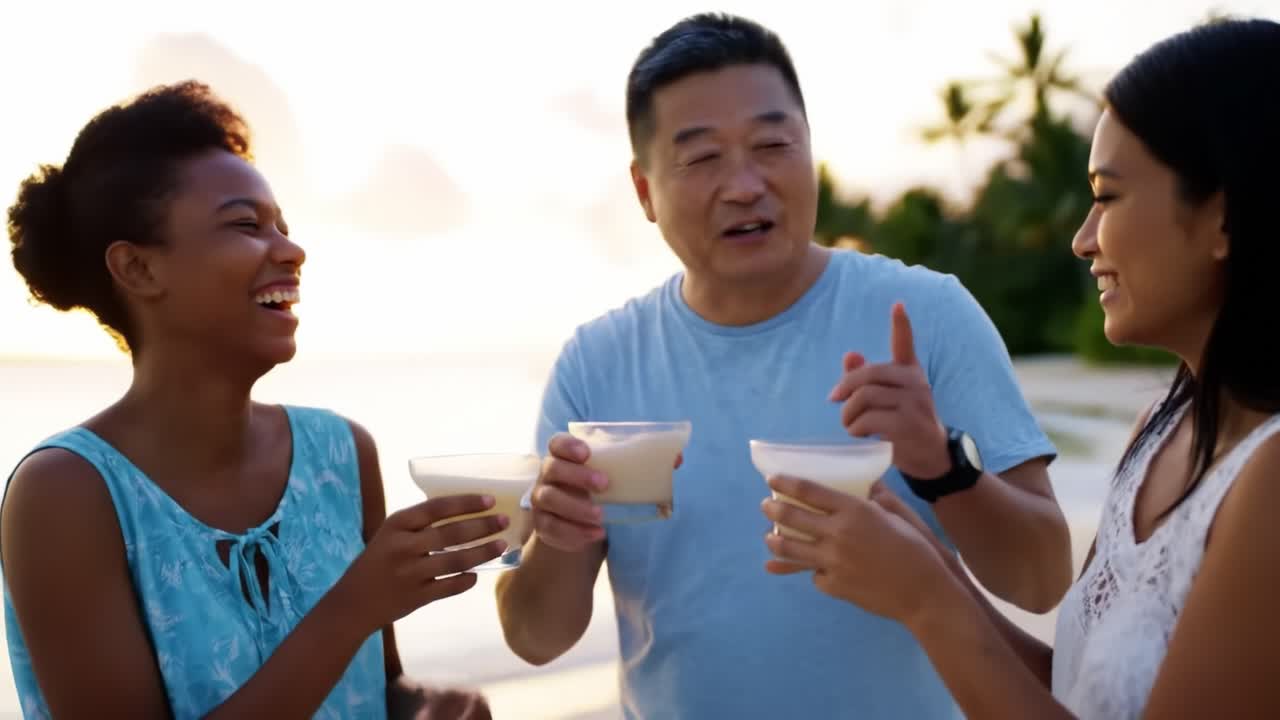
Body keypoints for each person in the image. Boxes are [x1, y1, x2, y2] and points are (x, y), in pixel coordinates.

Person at [495, 12, 1072, 718]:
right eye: (702, 158)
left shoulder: (927, 315)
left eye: (773, 144)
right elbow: (535, 637)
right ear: (645, 192)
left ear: (810, 153)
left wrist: (940, 464)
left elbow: (1044, 580)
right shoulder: (598, 364)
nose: (745, 183)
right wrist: (557, 539)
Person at [759, 17, 1280, 719]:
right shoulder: (1160, 428)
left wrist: (925, 599)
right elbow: (1073, 689)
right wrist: (933, 565)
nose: (1082, 239)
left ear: (1222, 217)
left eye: (1107, 196)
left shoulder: (1269, 479)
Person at [2, 81, 502, 719]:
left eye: (283, 229)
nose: (291, 252)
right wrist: (352, 606)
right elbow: (349, 624)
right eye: (245, 225)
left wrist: (432, 707)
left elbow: (382, 689)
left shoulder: (342, 453)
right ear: (137, 269)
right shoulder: (65, 494)